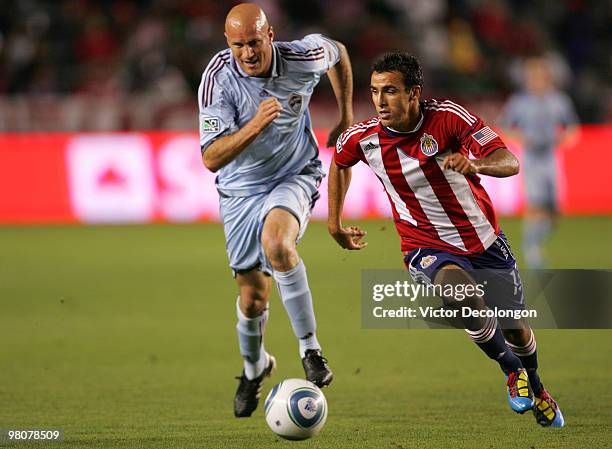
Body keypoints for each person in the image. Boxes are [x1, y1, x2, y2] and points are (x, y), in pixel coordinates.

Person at [327, 52, 564, 427]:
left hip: (483, 240)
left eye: (390, 91)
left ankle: (536, 385)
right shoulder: (365, 137)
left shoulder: (450, 118)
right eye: (374, 92)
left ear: (414, 93)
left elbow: (509, 160)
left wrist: (477, 164)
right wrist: (334, 222)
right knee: (461, 294)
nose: (380, 101)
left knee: (514, 326)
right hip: (424, 246)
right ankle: (510, 369)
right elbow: (339, 163)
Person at [198, 3, 353, 418]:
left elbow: (337, 51)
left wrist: (347, 115)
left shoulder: (301, 57)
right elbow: (211, 157)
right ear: (228, 44)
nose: (247, 53)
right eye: (238, 45)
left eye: (253, 42)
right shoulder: (218, 80)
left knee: (278, 245)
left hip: (295, 172)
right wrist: (254, 125)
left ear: (270, 36)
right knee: (252, 298)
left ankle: (311, 350)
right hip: (240, 190)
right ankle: (255, 368)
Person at [503, 55, 579, 268]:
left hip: (551, 158)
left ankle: (536, 242)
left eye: (540, 74)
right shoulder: (519, 102)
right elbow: (506, 128)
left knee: (556, 211)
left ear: (547, 76)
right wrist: (522, 139)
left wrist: (565, 138)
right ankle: (531, 249)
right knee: (535, 205)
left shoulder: (559, 100)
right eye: (532, 75)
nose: (536, 79)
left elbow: (573, 128)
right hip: (531, 158)